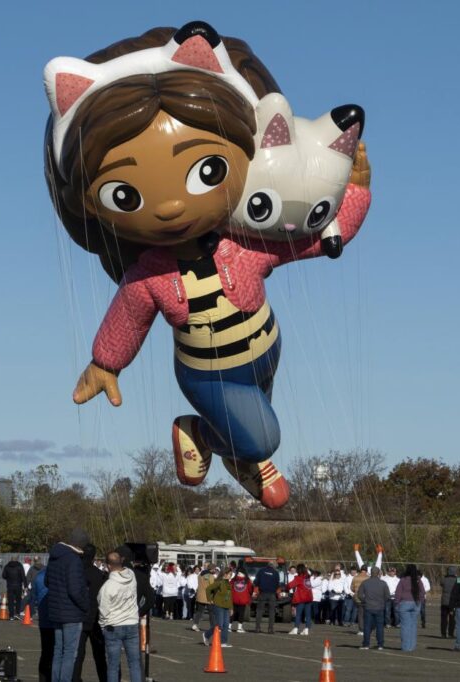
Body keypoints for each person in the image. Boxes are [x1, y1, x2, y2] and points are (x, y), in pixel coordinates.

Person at [50, 23, 373, 512]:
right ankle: (202, 430)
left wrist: (354, 192)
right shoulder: (151, 276)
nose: (172, 207)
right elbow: (129, 318)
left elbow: (317, 238)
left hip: (265, 352)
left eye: (207, 172)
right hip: (207, 372)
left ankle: (224, 443)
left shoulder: (247, 244)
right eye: (125, 195)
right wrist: (105, 363)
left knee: (253, 415)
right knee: (263, 435)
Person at [46, 530, 91, 682]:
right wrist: (86, 605)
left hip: (56, 610)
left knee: (58, 651)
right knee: (70, 653)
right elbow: (75, 590)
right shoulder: (74, 560)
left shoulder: (54, 557)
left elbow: (47, 581)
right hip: (71, 612)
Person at [98, 551, 142, 682]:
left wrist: (102, 626)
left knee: (113, 665)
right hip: (132, 623)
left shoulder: (107, 586)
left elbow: (103, 610)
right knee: (134, 663)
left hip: (113, 626)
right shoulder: (131, 575)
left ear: (108, 566)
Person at [73, 544, 107, 682]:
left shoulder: (75, 572)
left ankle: (75, 678)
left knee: (78, 655)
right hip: (96, 618)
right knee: (100, 655)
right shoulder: (99, 575)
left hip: (79, 618)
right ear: (93, 557)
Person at [31, 561, 55, 682]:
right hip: (57, 618)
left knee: (45, 651)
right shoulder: (59, 574)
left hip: (44, 618)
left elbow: (34, 595)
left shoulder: (39, 576)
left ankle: (43, 678)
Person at [358, 566, 390, 650]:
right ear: (379, 573)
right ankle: (380, 644)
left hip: (368, 607)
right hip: (379, 607)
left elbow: (360, 595)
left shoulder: (365, 583)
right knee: (380, 627)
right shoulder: (383, 583)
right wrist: (382, 602)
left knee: (367, 626)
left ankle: (366, 644)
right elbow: (387, 596)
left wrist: (364, 601)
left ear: (370, 573)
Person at [395, 564, 425, 652]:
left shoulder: (403, 580)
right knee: (413, 626)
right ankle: (412, 646)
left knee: (405, 626)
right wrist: (420, 601)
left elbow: (398, 593)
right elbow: (422, 592)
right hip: (416, 603)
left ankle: (405, 647)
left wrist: (397, 603)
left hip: (405, 603)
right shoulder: (418, 580)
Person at [205, 567, 233, 648]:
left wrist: (231, 608)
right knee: (219, 625)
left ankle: (223, 642)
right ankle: (206, 635)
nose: (231, 576)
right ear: (225, 574)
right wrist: (209, 599)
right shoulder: (219, 582)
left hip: (226, 607)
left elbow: (230, 597)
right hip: (218, 606)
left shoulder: (229, 583)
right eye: (230, 574)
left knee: (226, 625)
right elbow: (208, 589)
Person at [285, 563, 313, 636]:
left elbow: (290, 585)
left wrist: (285, 587)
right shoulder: (307, 577)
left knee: (298, 614)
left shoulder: (298, 578)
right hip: (309, 597)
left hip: (301, 598)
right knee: (308, 615)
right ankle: (306, 629)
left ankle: (296, 628)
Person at [253, 562, 280, 634]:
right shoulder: (276, 573)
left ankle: (257, 628)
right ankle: (270, 629)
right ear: (273, 566)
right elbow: (277, 584)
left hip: (262, 593)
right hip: (272, 594)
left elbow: (256, 581)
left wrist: (258, 585)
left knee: (259, 611)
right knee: (271, 612)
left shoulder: (261, 571)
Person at [192, 564, 214, 633]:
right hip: (208, 596)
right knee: (211, 612)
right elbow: (212, 586)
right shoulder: (211, 576)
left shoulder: (200, 575)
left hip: (200, 595)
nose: (215, 570)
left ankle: (195, 625)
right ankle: (213, 626)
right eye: (214, 569)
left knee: (199, 611)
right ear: (212, 569)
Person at [230, 569, 251, 633]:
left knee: (232, 614)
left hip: (233, 599)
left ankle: (229, 627)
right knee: (241, 614)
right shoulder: (248, 581)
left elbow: (230, 587)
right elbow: (250, 589)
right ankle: (239, 628)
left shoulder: (233, 580)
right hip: (243, 600)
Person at [440, 566, 457, 639]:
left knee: (444, 619)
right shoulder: (458, 579)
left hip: (444, 601)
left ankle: (443, 634)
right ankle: (451, 633)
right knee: (452, 619)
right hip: (453, 602)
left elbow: (441, 583)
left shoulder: (444, 579)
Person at [351, 565, 368, 634]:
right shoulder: (368, 578)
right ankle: (367, 628)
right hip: (367, 598)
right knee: (366, 614)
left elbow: (352, 588)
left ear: (360, 570)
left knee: (360, 614)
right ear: (366, 570)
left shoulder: (355, 577)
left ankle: (361, 630)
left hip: (358, 597)